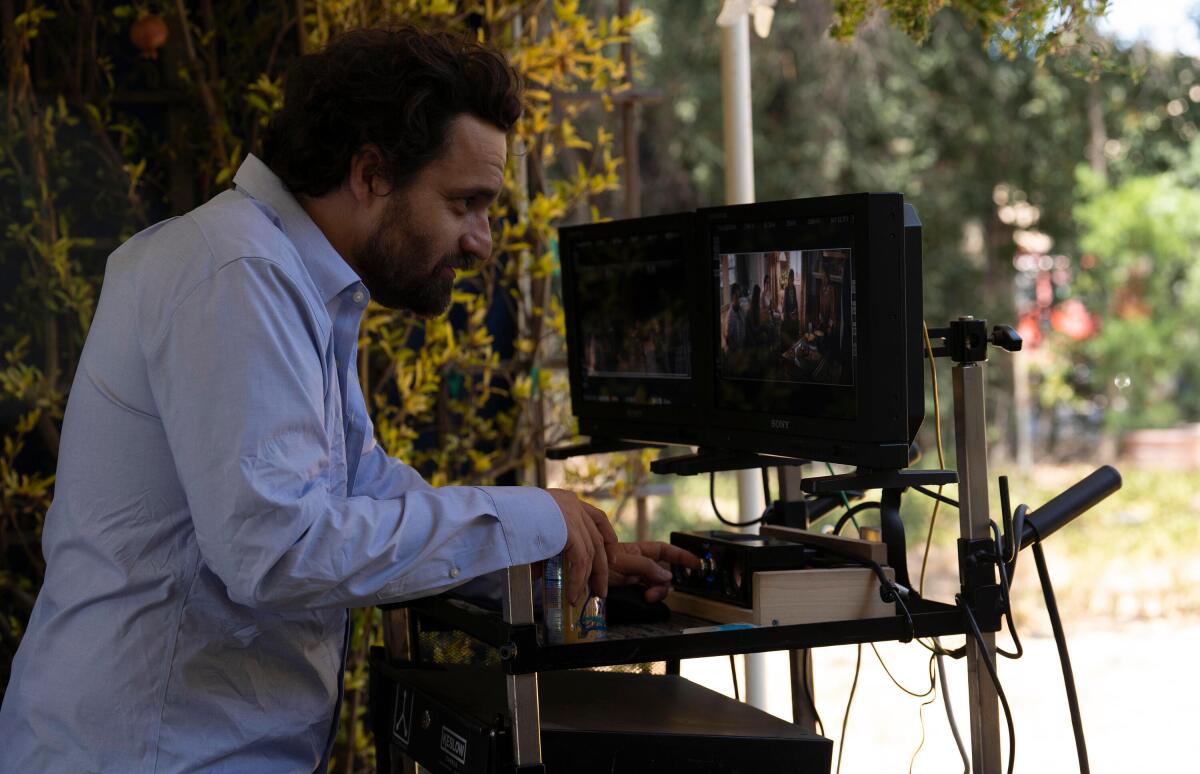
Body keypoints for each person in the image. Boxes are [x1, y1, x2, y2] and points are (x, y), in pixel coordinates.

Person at [0, 27, 698, 773]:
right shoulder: (234, 274)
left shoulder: (289, 276)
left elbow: (361, 487)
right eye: (466, 203)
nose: (482, 242)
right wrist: (528, 515)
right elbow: (278, 548)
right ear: (370, 174)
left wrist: (546, 555)